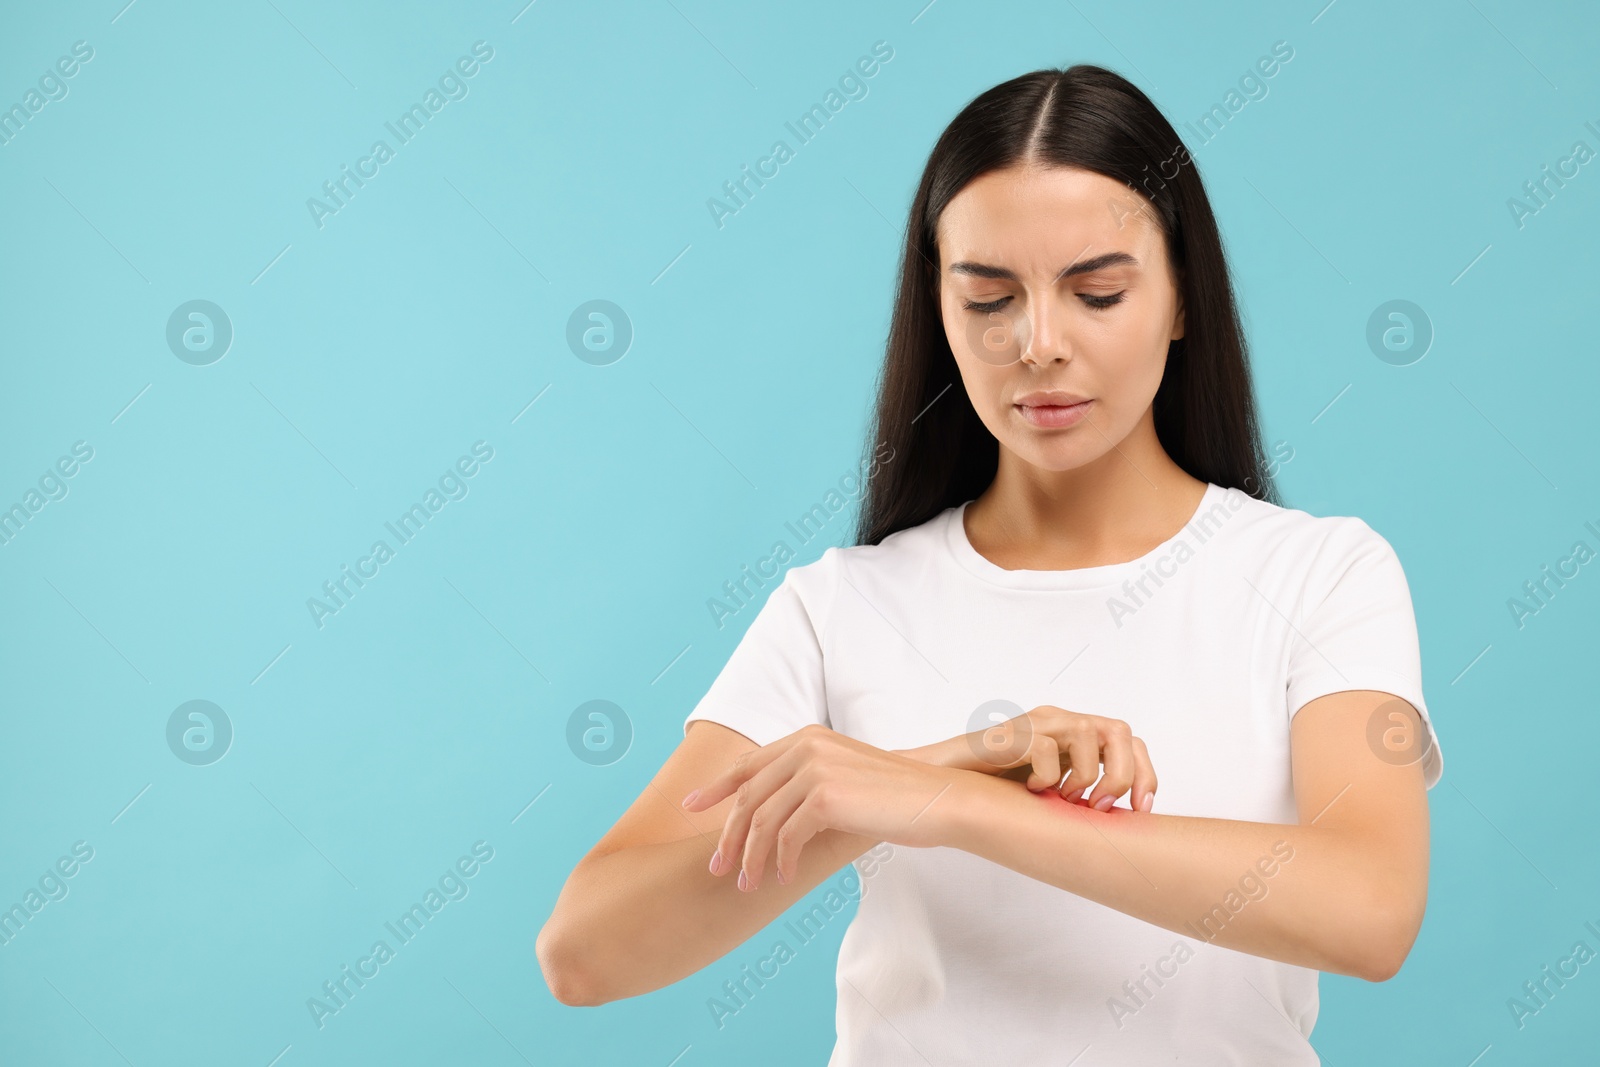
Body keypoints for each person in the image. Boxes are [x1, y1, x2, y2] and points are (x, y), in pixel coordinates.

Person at [536, 63, 1443, 1065]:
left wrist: (954, 805)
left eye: (1096, 292)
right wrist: (924, 775)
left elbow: (1370, 907)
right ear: (939, 312)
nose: (1039, 343)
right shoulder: (843, 605)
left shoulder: (1320, 574)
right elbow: (584, 949)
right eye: (988, 298)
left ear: (1183, 299)